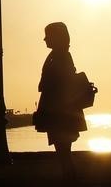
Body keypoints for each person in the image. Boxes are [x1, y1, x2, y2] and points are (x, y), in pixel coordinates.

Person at [33, 22, 87, 184]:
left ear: (56, 37)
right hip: (62, 113)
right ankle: (69, 180)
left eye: (48, 35)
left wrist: (45, 84)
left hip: (60, 114)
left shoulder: (59, 56)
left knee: (63, 152)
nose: (44, 39)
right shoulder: (60, 55)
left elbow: (55, 83)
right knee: (64, 152)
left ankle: (70, 181)